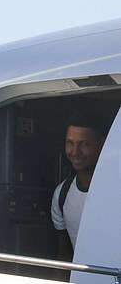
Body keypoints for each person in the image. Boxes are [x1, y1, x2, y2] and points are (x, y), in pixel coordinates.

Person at [51, 109, 109, 261]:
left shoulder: (115, 188)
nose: (75, 152)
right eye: (70, 143)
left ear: (102, 144)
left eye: (84, 144)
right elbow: (64, 255)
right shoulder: (61, 194)